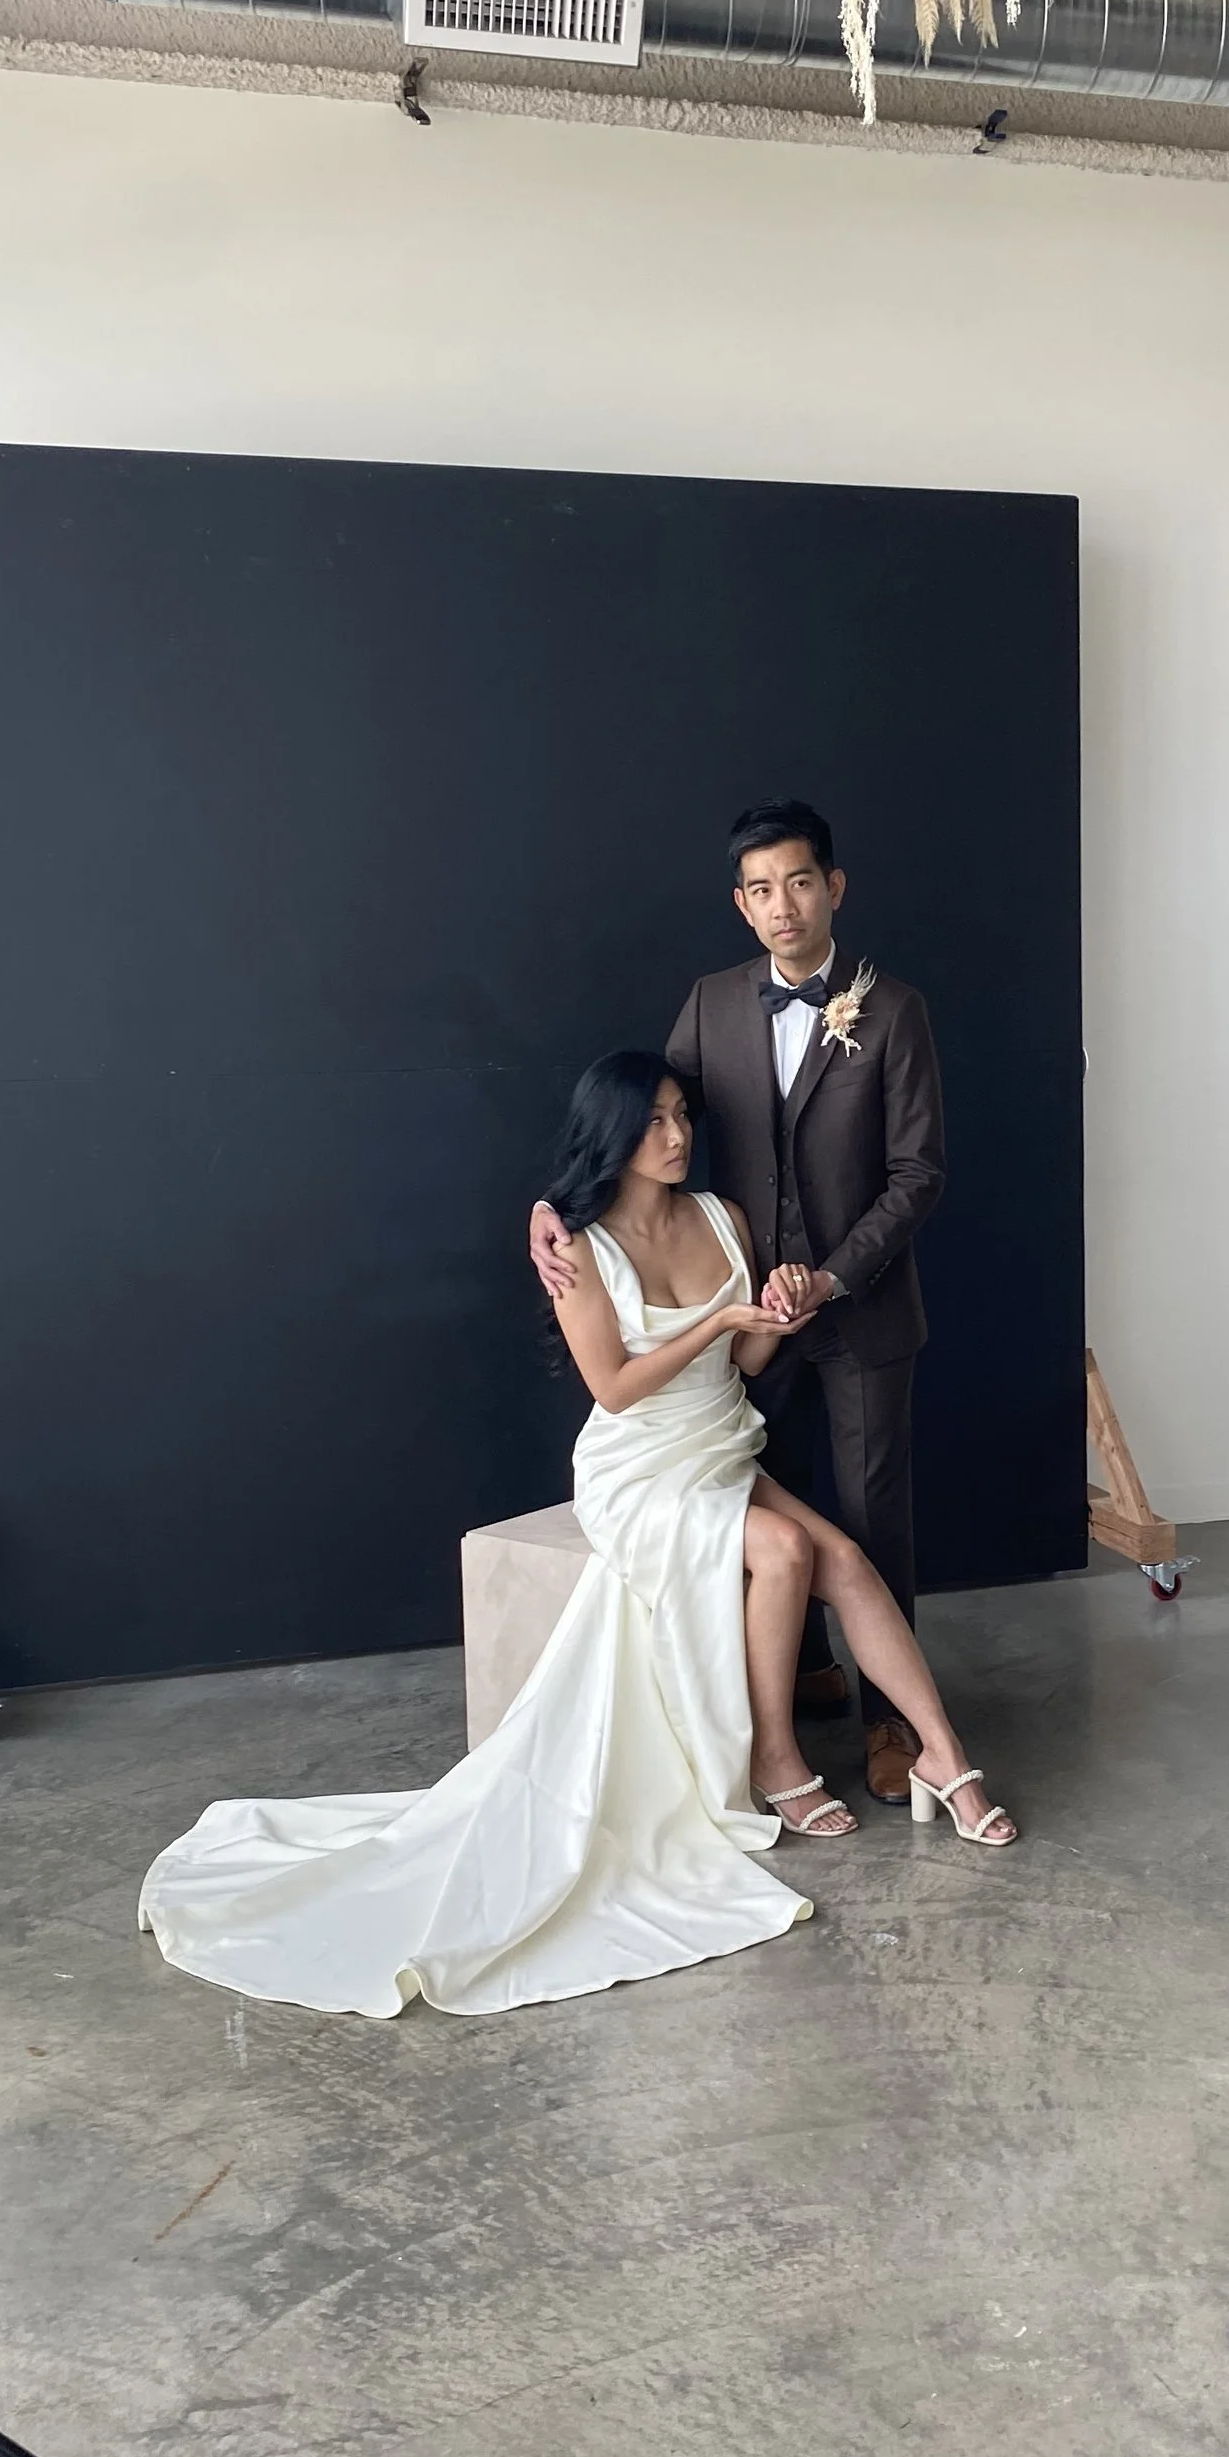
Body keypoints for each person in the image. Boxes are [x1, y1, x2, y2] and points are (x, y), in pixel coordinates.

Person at [139, 1054, 1010, 2022]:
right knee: (785, 1552)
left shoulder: (722, 1217)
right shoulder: (580, 1249)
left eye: (682, 1117)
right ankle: (773, 1757)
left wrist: (773, 1315)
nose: (676, 1137)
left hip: (719, 1443)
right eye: (654, 1124)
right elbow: (616, 1389)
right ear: (615, 1137)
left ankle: (943, 1756)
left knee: (840, 1556)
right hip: (635, 1469)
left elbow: (747, 1359)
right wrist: (716, 1319)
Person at [531, 801, 944, 1806]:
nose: (782, 906)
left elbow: (917, 1174)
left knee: (868, 1510)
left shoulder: (892, 1009)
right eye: (760, 889)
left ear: (832, 887)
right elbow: (644, 1116)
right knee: (768, 1491)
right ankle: (803, 1674)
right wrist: (551, 1204)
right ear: (740, 904)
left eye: (799, 882)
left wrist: (833, 1276)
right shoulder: (713, 1003)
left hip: (857, 1310)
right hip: (743, 1313)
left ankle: (892, 1728)